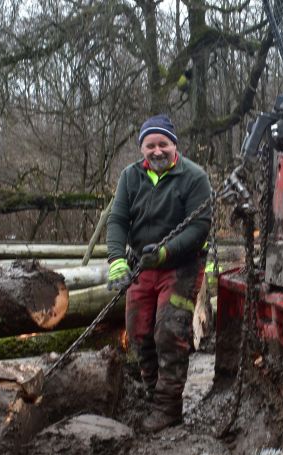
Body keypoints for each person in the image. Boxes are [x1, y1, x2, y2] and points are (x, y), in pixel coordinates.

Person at [106, 114, 212, 433]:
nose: (156, 151)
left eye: (162, 143)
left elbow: (199, 227)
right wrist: (117, 261)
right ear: (142, 148)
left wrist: (165, 252)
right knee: (138, 332)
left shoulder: (193, 177)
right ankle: (154, 393)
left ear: (173, 145)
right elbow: (118, 220)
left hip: (181, 264)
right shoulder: (130, 177)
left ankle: (168, 408)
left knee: (169, 331)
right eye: (150, 145)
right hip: (141, 263)